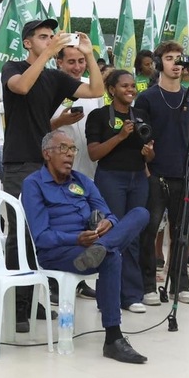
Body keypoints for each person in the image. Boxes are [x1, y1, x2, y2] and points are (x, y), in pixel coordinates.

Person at [1, 19, 102, 331]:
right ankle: (18, 308)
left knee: (41, 234)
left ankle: (34, 300)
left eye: (51, 36)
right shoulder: (13, 67)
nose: (49, 40)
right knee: (20, 234)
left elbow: (96, 89)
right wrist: (48, 54)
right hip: (20, 163)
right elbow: (21, 87)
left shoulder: (56, 77)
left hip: (46, 163)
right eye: (43, 37)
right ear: (28, 42)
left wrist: (90, 53)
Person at [22, 131, 149, 363]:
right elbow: (41, 237)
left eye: (72, 149)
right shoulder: (34, 184)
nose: (69, 154)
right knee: (112, 256)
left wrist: (107, 223)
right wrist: (76, 239)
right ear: (46, 154)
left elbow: (109, 214)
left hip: (91, 245)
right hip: (59, 252)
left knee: (141, 213)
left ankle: (102, 247)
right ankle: (113, 338)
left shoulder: (81, 181)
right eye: (63, 149)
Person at [134, 41, 189, 305]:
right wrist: (147, 169)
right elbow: (140, 139)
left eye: (179, 58)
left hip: (183, 173)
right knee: (149, 231)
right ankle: (148, 284)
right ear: (159, 63)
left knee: (181, 231)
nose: (176, 63)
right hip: (155, 173)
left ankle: (179, 284)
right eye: (170, 58)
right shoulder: (147, 97)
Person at [86, 70, 153, 314]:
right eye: (125, 85)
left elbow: (149, 153)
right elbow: (94, 153)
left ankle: (132, 295)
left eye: (133, 86)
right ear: (111, 89)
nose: (131, 90)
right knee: (112, 234)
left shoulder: (142, 115)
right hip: (110, 178)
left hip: (138, 178)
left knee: (133, 236)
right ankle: (107, 297)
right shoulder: (98, 116)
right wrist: (121, 136)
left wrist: (149, 154)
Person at [51, 44, 104, 178]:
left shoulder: (94, 88)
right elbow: (37, 129)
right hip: (59, 167)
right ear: (59, 62)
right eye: (71, 62)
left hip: (90, 168)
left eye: (81, 61)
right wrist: (59, 122)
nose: (77, 67)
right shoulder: (49, 88)